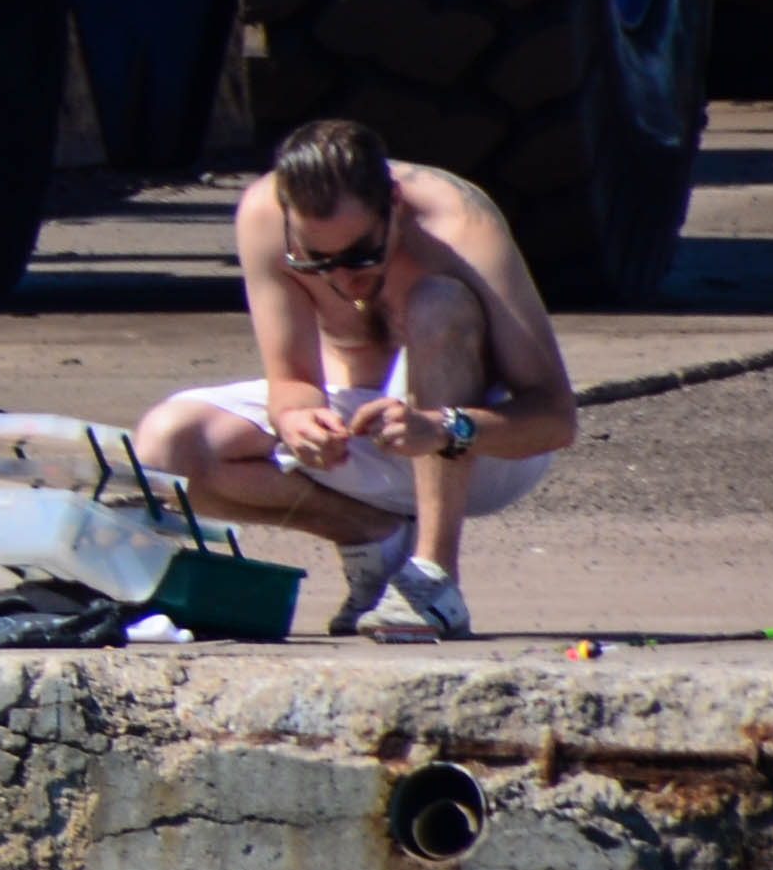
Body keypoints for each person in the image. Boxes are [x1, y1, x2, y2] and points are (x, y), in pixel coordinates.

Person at [135, 118, 579, 641]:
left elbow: (555, 420)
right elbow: (292, 381)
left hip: (483, 447)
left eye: (362, 254)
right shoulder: (263, 216)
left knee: (438, 302)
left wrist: (442, 427)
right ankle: (371, 536)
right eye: (315, 261)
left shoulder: (459, 225)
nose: (342, 278)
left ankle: (434, 577)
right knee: (166, 448)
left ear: (394, 204)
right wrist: (296, 419)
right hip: (364, 440)